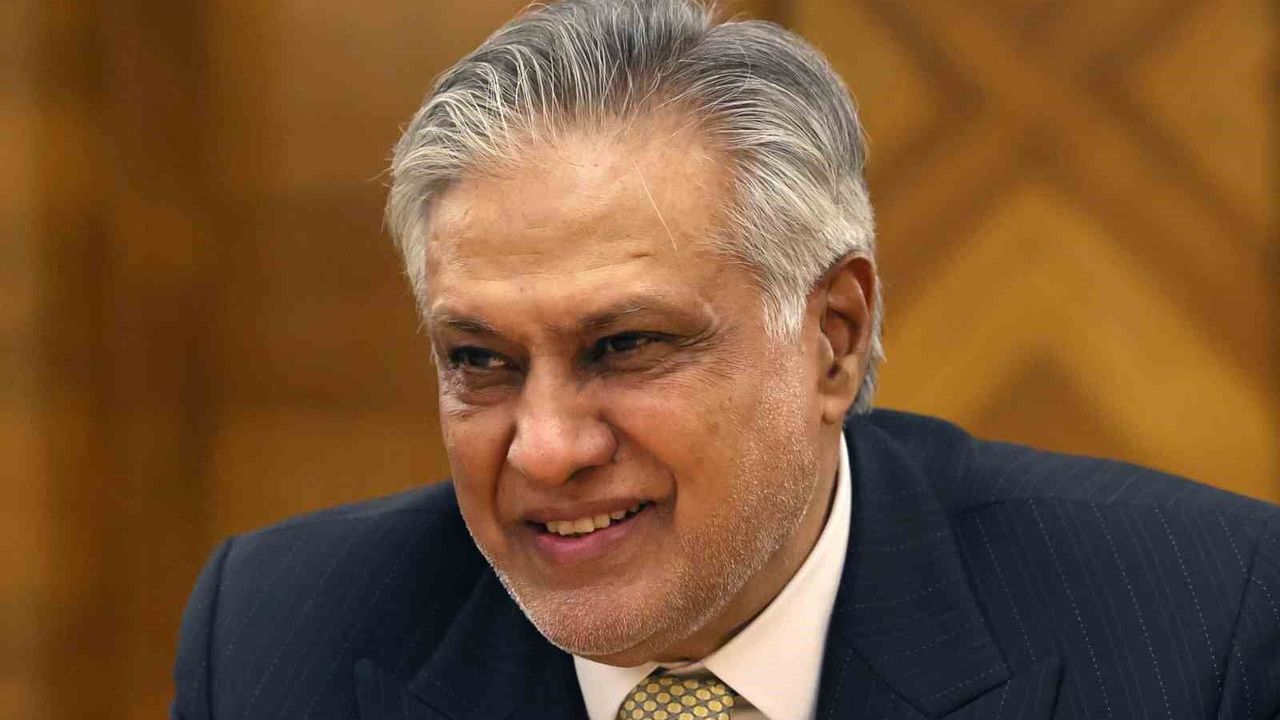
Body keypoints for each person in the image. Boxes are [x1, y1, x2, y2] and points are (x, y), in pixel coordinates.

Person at [171, 1, 1280, 718]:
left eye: (625, 345)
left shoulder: (1195, 631)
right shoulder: (277, 637)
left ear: (832, 338)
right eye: (480, 360)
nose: (546, 449)